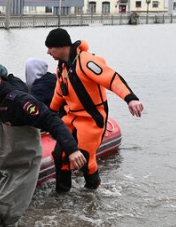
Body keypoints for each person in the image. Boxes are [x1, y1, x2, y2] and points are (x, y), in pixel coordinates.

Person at [0, 60, 85, 227]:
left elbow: (52, 121)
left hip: (23, 154)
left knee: (4, 202)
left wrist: (72, 149)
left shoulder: (20, 102)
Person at [45, 28, 144, 192]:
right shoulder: (61, 69)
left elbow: (110, 78)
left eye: (50, 48)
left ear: (62, 47)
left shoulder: (86, 62)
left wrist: (130, 98)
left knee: (84, 158)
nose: (48, 52)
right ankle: (62, 193)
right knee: (60, 154)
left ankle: (92, 191)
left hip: (91, 118)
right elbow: (59, 93)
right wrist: (49, 114)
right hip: (71, 117)